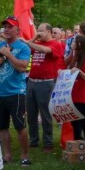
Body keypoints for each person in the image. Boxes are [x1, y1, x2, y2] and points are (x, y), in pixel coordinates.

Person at [0, 16, 32, 166]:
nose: (7, 30)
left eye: (10, 27)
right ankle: (7, 155)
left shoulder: (23, 47)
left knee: (20, 126)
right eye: (5, 27)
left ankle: (25, 155)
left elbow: (22, 66)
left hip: (16, 92)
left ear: (17, 30)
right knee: (1, 126)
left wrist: (9, 55)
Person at [25, 22, 65, 152]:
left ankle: (48, 142)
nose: (38, 32)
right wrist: (33, 39)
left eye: (41, 31)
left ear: (49, 32)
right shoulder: (36, 43)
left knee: (45, 113)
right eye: (37, 30)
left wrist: (29, 42)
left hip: (45, 82)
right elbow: (26, 49)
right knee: (31, 113)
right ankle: (33, 140)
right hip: (32, 81)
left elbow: (44, 51)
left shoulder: (55, 44)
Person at [66, 34, 85, 142]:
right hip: (73, 94)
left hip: (83, 95)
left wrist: (79, 71)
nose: (71, 44)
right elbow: (65, 64)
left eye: (73, 42)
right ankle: (77, 141)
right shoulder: (74, 56)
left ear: (79, 44)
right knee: (74, 121)